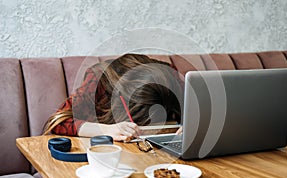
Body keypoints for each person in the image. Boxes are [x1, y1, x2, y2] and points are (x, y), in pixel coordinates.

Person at [43, 54, 183, 142]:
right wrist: (107, 130)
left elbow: (199, 109)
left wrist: (191, 125)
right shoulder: (99, 79)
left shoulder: (169, 75)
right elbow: (58, 121)